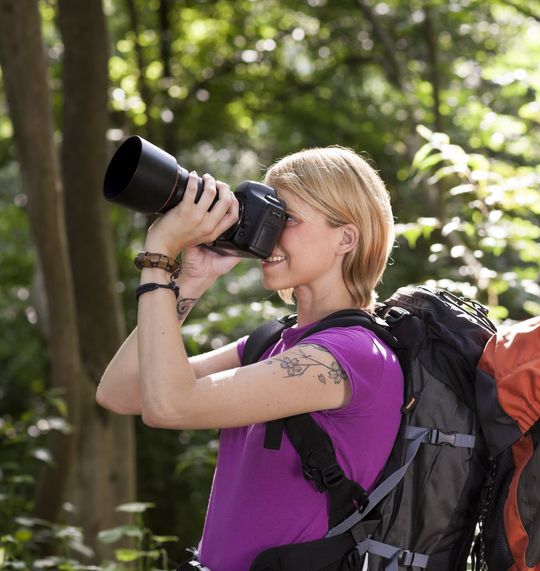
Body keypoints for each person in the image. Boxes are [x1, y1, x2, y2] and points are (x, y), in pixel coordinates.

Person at [96, 146, 403, 571]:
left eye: (288, 219)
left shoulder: (353, 357)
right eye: (268, 215)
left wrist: (159, 256)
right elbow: (122, 393)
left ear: (346, 238)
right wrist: (191, 277)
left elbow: (170, 405)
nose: (270, 234)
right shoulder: (270, 342)